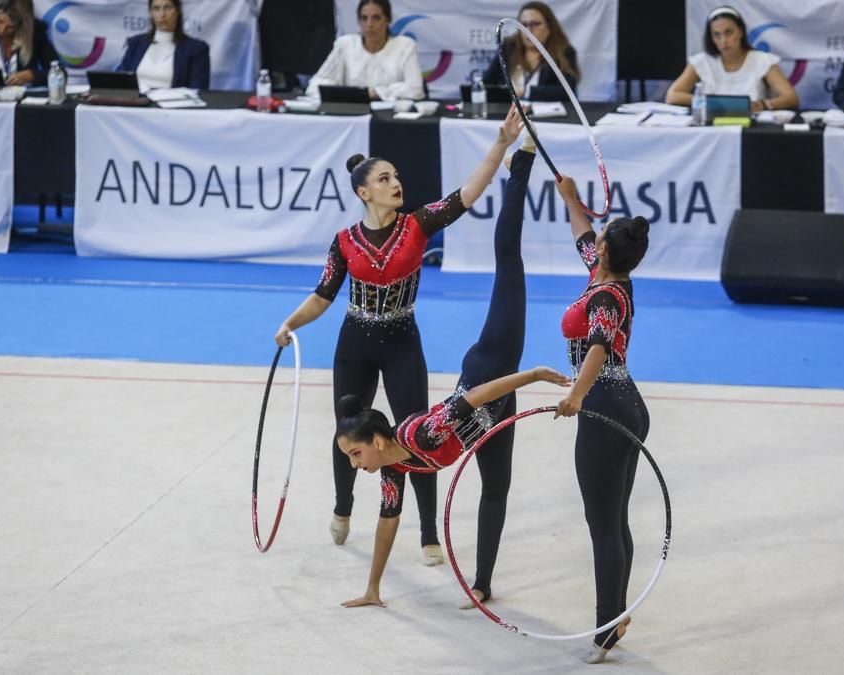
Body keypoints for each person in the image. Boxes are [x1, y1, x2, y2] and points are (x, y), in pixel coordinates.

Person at [274, 106, 527, 567]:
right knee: (348, 430)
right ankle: (344, 505)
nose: (396, 183)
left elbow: (467, 194)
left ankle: (429, 530)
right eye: (385, 179)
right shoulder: (344, 241)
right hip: (355, 343)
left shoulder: (418, 224)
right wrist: (290, 324)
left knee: (416, 437)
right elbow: (322, 295)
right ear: (364, 191)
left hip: (402, 342)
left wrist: (501, 144)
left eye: (397, 177)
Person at [334, 131, 566, 608]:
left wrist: (534, 376)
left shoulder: (420, 433)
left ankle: (521, 165)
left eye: (356, 456)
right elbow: (386, 525)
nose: (358, 466)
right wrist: (373, 589)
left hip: (492, 370)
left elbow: (475, 398)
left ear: (378, 442)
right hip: (494, 415)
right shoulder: (393, 471)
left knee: (509, 262)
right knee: (496, 488)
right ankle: (482, 583)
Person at [553, 176, 651, 664]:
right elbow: (582, 235)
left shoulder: (609, 297)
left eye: (600, 240)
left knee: (603, 525)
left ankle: (606, 626)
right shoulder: (605, 271)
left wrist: (576, 393)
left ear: (607, 253)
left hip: (605, 407)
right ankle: (615, 615)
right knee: (614, 518)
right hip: (625, 401)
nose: (592, 243)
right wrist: (571, 198)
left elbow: (598, 346)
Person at [665, 6, 798, 113]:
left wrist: (763, 105)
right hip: (710, 128)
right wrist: (708, 103)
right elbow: (672, 96)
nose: (723, 40)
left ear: (740, 31)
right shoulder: (701, 61)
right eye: (716, 34)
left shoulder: (763, 60)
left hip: (750, 128)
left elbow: (791, 98)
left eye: (728, 32)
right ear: (711, 38)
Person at [304, 0, 424, 101]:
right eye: (364, 18)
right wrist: (342, 93)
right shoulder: (345, 45)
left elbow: (415, 89)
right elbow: (315, 84)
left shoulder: (404, 46)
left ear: (388, 20)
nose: (369, 24)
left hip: (390, 118)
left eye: (376, 18)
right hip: (351, 115)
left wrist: (376, 93)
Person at [483, 2, 580, 98]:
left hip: (546, 112)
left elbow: (567, 92)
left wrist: (527, 91)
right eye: (524, 25)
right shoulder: (507, 48)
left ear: (550, 27)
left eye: (535, 24)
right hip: (509, 111)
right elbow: (486, 85)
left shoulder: (564, 52)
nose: (528, 30)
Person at [118, 0, 210, 90]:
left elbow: (198, 90)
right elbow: (120, 81)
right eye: (156, 8)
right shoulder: (135, 43)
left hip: (174, 104)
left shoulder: (196, 49)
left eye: (168, 8)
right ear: (150, 13)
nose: (162, 14)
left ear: (178, 11)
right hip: (135, 102)